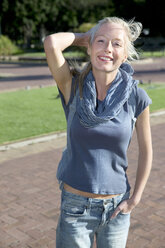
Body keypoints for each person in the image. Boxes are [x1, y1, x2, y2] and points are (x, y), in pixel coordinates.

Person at [44, 16, 153, 248]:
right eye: (101, 42)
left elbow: (146, 151)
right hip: (75, 208)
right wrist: (85, 37)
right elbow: (51, 43)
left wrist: (135, 199)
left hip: (117, 209)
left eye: (116, 44)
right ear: (90, 48)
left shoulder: (137, 97)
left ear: (125, 55)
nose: (108, 49)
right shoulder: (71, 87)